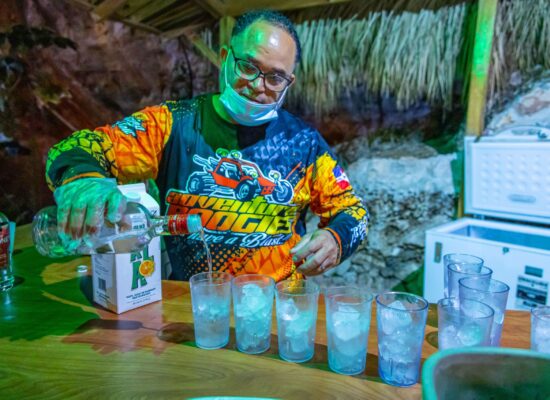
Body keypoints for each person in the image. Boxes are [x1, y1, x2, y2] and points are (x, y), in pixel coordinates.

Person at [45, 9, 368, 281]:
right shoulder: (172, 122)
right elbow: (76, 148)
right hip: (189, 304)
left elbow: (353, 212)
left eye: (274, 77)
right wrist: (83, 181)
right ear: (226, 58)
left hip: (277, 304)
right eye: (248, 67)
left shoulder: (305, 143)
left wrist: (335, 239)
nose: (257, 86)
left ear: (289, 82)